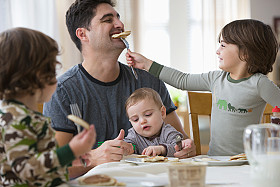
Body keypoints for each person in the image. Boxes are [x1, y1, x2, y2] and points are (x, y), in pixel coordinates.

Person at [43, 0, 195, 178]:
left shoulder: (149, 81)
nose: (120, 24)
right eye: (108, 20)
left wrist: (185, 149)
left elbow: (181, 142)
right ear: (82, 34)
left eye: (118, 18)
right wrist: (94, 157)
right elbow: (52, 168)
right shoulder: (62, 91)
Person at [126, 19, 280, 156]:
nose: (217, 51)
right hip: (215, 160)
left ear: (245, 53)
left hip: (247, 162)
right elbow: (182, 80)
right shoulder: (216, 79)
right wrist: (146, 64)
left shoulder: (260, 83)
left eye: (223, 45)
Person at [0, 27, 96, 186]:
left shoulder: (23, 114)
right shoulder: (15, 118)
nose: (56, 78)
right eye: (51, 70)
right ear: (37, 75)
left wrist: (72, 154)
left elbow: (40, 154)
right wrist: (69, 151)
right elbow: (26, 169)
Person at [124, 88, 183, 157]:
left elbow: (179, 146)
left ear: (162, 113)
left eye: (148, 114)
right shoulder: (134, 135)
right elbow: (129, 144)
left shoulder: (168, 131)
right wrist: (127, 148)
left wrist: (162, 149)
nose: (142, 121)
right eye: (135, 119)